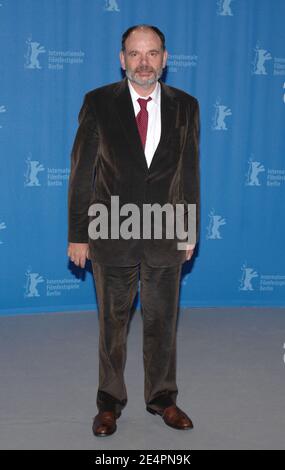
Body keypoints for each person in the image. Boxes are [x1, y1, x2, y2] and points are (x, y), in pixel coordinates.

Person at [67, 24, 200, 437]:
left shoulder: (186, 106)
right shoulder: (98, 103)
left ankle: (163, 399)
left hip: (164, 233)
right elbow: (82, 172)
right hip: (110, 231)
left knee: (163, 323)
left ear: (166, 58)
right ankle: (109, 404)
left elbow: (188, 173)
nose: (144, 62)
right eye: (135, 54)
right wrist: (78, 233)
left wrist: (188, 229)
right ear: (121, 58)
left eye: (152, 53)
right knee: (113, 325)